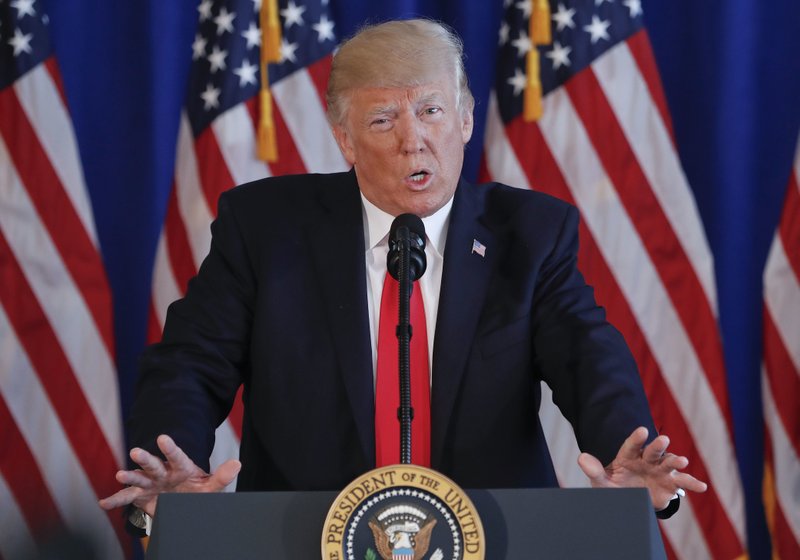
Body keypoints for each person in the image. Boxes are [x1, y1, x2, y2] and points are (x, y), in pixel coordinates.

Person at [99, 19, 706, 529]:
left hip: (493, 534)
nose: (414, 141)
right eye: (383, 121)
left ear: (465, 119)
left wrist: (626, 449)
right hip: (301, 534)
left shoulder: (530, 233)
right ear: (345, 139)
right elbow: (191, 362)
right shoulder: (264, 229)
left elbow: (588, 357)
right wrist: (170, 460)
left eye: (432, 110)